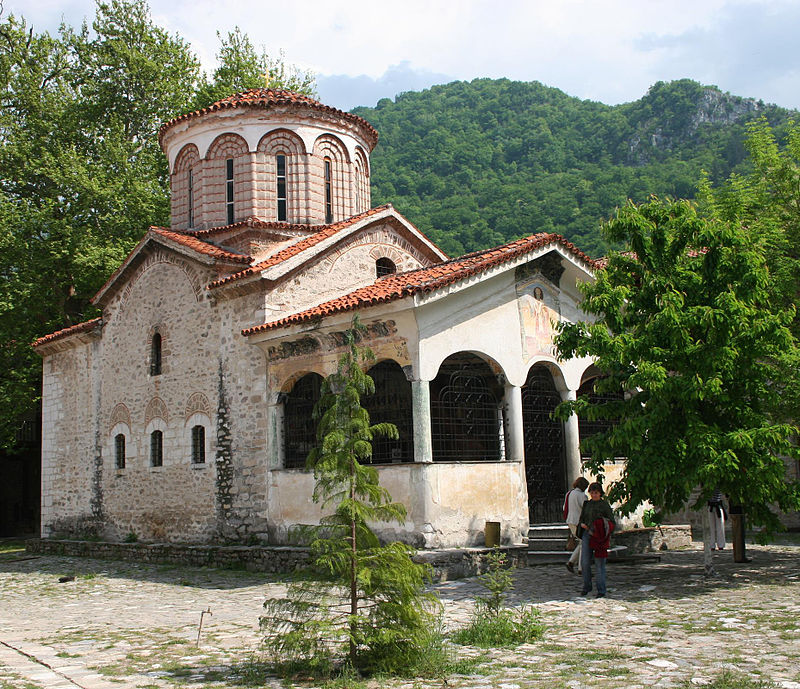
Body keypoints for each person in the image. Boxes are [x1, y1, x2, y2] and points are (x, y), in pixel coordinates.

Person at [578, 482, 616, 598]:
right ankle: (587, 586)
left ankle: (601, 589)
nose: (594, 495)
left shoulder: (604, 505)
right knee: (585, 562)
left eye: (596, 493)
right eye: (592, 493)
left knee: (600, 564)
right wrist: (583, 525)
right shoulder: (587, 505)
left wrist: (599, 526)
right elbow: (582, 518)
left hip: (599, 537)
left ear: (600, 493)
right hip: (587, 534)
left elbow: (611, 522)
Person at [564, 476, 589, 574]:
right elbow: (586, 510)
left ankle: (571, 562)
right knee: (584, 544)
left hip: (570, 520)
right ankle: (581, 568)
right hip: (579, 522)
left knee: (582, 543)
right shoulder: (582, 496)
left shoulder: (569, 494)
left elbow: (564, 507)